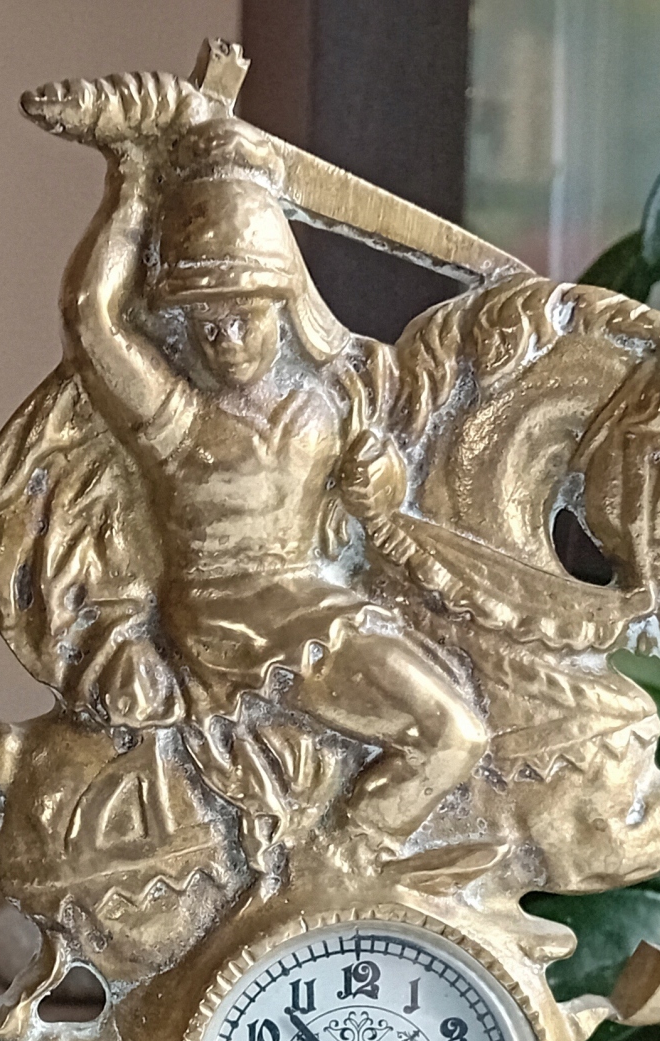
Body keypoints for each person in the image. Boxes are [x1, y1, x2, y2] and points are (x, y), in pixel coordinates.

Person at [59, 115, 487, 851]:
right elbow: (91, 319)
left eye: (244, 319)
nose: (226, 342)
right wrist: (129, 182)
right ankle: (341, 869)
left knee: (465, 718)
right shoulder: (176, 418)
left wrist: (377, 484)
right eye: (207, 326)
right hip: (229, 622)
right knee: (453, 735)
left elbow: (377, 501)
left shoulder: (332, 400)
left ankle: (361, 868)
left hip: (317, 599)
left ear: (284, 307)